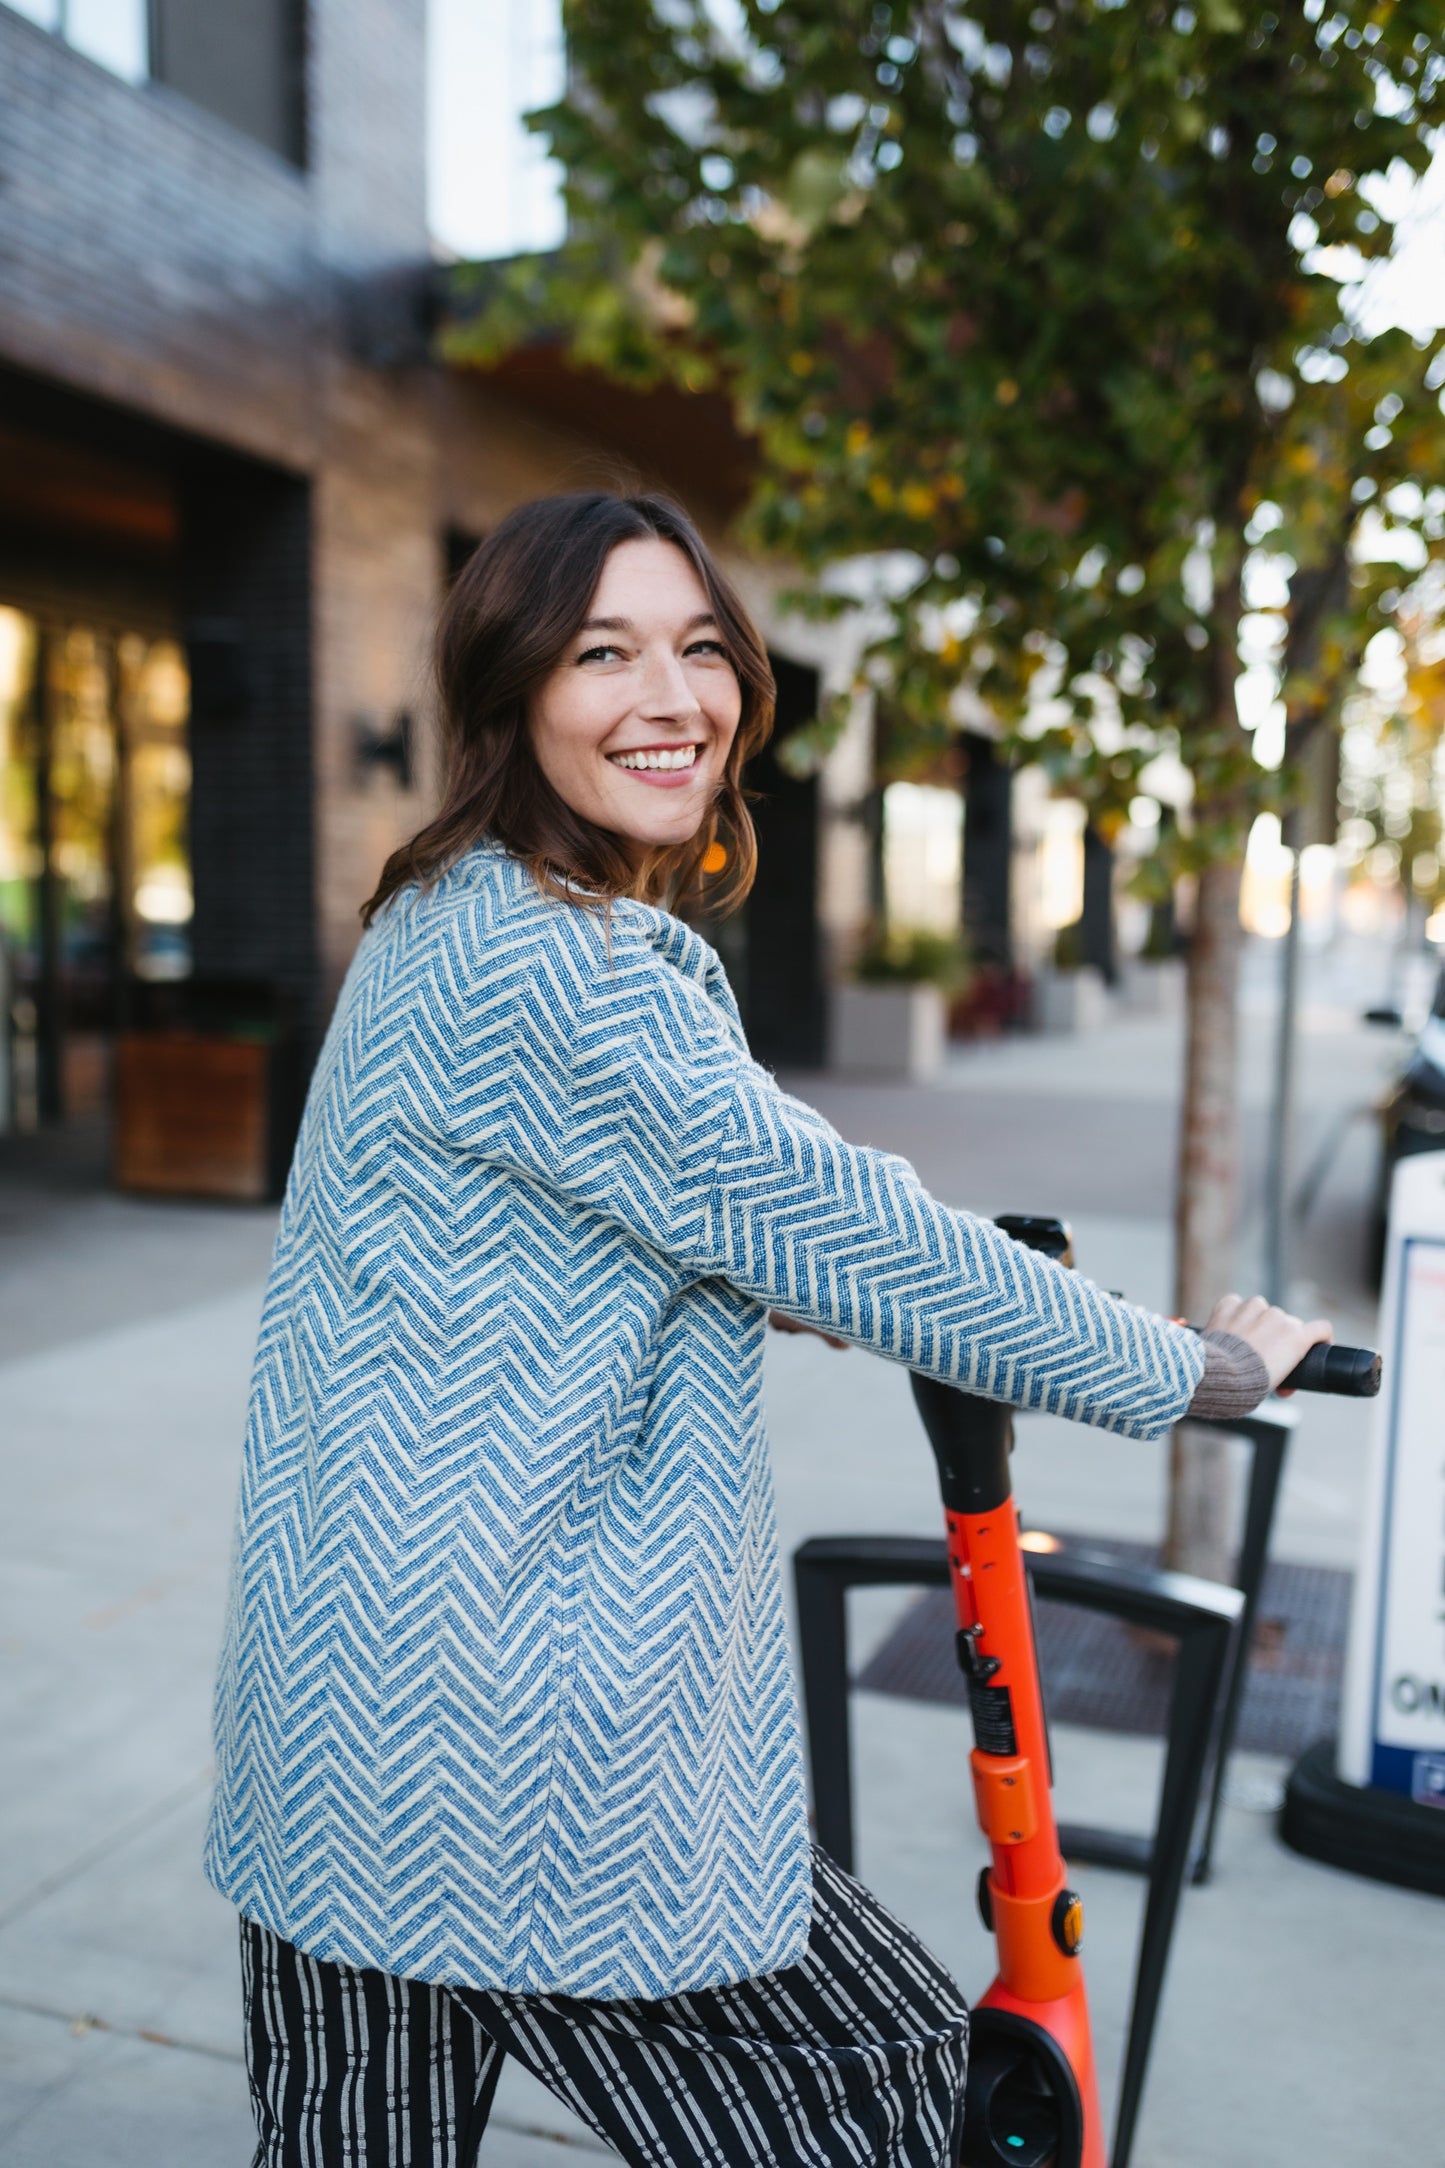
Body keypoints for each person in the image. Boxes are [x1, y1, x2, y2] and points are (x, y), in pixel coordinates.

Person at [205, 491, 1329, 2168]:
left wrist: (730, 1274)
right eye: (602, 654)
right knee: (885, 2090)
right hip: (527, 1748)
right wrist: (1191, 1367)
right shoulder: (563, 966)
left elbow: (591, 1222)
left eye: (700, 648)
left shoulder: (438, 915)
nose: (672, 698)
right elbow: (849, 1222)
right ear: (513, 690)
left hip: (345, 1719)